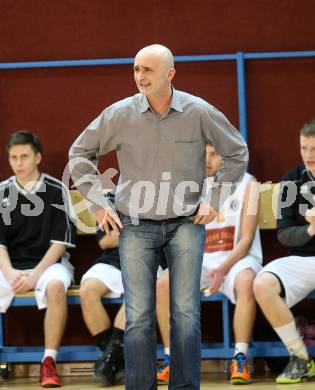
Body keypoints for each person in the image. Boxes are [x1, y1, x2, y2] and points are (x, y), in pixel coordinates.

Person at [69, 44, 248, 390]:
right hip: (135, 224)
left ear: (170, 74)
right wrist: (97, 203)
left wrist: (215, 198)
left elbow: (236, 153)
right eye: (136, 69)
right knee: (137, 317)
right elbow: (80, 153)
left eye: (148, 70)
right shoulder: (119, 114)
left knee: (184, 315)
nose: (140, 76)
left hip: (185, 223)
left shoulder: (198, 111)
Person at [156, 144, 262, 385]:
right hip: (202, 261)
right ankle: (173, 359)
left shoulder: (248, 184)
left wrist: (223, 269)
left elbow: (246, 240)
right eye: (202, 156)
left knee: (246, 282)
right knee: (163, 284)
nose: (207, 161)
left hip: (238, 259)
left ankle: (240, 357)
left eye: (213, 154)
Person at [0, 130, 76, 388]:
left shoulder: (56, 190)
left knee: (55, 287)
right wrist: (10, 273)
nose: (18, 163)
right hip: (10, 266)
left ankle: (48, 362)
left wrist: (33, 276)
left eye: (24, 156)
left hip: (49, 264)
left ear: (38, 158)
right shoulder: (2, 192)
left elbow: (60, 243)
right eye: (13, 157)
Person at [253, 119, 315, 384]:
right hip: (302, 259)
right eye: (304, 148)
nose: (309, 155)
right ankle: (301, 359)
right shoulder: (291, 180)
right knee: (262, 284)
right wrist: (310, 231)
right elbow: (284, 234)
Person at [79, 192, 125, 386]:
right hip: (113, 261)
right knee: (87, 290)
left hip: (150, 261)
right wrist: (140, 232)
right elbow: (105, 241)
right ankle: (115, 359)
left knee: (141, 291)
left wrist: (121, 232)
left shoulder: (161, 194)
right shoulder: (109, 199)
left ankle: (110, 361)